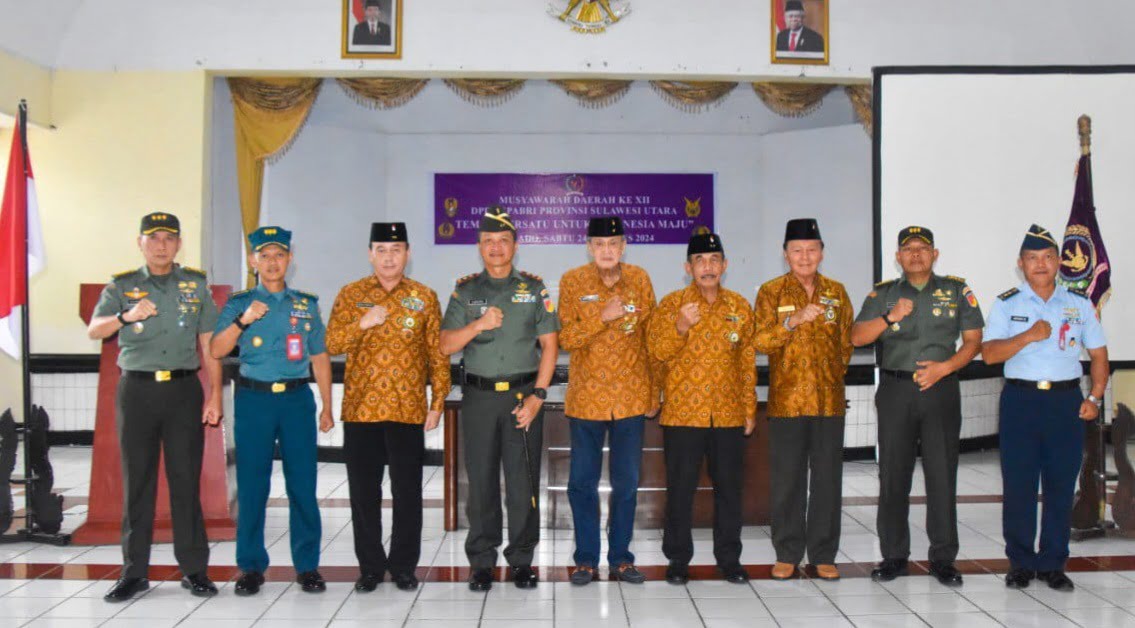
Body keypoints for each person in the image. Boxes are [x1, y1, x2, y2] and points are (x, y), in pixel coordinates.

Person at [88, 212, 223, 602]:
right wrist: (125, 316)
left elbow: (210, 343)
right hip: (137, 392)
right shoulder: (122, 285)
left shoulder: (195, 285)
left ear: (179, 243)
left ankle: (195, 570)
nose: (161, 245)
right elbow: (94, 329)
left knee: (185, 481)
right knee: (138, 483)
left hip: (183, 391)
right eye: (154, 238)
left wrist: (215, 394)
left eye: (169, 238)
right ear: (140, 243)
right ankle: (134, 573)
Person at [851, 226, 983, 586]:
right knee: (893, 475)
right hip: (896, 390)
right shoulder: (883, 294)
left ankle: (943, 558)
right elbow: (856, 337)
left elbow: (973, 341)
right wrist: (889, 317)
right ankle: (894, 556)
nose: (915, 254)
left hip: (941, 389)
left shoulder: (956, 290)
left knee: (942, 474)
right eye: (907, 249)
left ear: (934, 254)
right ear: (898, 257)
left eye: (922, 248)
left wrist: (945, 368)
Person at [325, 222, 451, 592]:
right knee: (364, 493)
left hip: (407, 409)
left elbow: (437, 354)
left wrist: (437, 402)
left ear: (407, 254)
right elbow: (330, 342)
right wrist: (362, 323)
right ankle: (370, 567)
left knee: (408, 493)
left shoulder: (424, 297)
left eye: (396, 250)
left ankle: (403, 567)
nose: (389, 257)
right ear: (370, 254)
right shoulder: (351, 294)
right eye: (381, 249)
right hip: (361, 409)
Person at [981, 224, 1108, 592]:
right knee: (1019, 484)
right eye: (1032, 258)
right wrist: (1027, 336)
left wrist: (1095, 398)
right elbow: (989, 354)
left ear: (1058, 263)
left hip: (1065, 403)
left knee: (1060, 485)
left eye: (1048, 257)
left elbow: (1099, 355)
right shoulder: (1007, 303)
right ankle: (1020, 563)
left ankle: (1053, 564)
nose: (1040, 264)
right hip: (1020, 401)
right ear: (1021, 264)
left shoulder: (1079, 304)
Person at [440, 205, 560, 591]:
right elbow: (445, 345)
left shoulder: (534, 290)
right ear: (479, 246)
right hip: (479, 398)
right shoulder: (465, 291)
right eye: (489, 241)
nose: (496, 247)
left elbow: (550, 346)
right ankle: (481, 561)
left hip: (523, 399)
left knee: (523, 483)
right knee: (481, 483)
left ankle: (522, 560)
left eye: (503, 240)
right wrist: (478, 324)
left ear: (515, 246)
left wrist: (538, 396)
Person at [210, 226, 333, 596]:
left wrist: (328, 405)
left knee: (303, 485)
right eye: (264, 255)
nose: (272, 262)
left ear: (290, 259)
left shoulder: (305, 304)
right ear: (253, 261)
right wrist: (243, 320)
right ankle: (250, 566)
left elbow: (319, 356)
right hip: (254, 401)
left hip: (296, 401)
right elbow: (216, 350)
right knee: (252, 487)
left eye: (279, 255)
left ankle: (307, 566)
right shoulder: (239, 304)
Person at [647, 233, 756, 585]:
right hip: (683, 414)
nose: (707, 267)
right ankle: (678, 559)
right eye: (700, 261)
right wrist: (680, 327)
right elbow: (656, 353)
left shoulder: (739, 306)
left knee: (730, 491)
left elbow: (747, 361)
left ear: (724, 265)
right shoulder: (671, 305)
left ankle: (730, 559)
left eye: (714, 260)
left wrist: (749, 407)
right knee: (680, 490)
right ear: (688, 267)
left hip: (728, 413)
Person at [558, 217, 659, 586]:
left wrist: (654, 391)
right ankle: (585, 559)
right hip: (587, 399)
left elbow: (652, 339)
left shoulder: (640, 279)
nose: (606, 250)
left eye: (613, 243)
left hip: (630, 399)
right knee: (581, 483)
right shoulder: (572, 281)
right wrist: (602, 317)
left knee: (626, 484)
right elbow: (567, 338)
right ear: (589, 247)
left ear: (623, 246)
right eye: (599, 244)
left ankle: (621, 558)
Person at [753, 219, 852, 581]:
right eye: (797, 250)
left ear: (822, 253)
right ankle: (787, 553)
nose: (805, 256)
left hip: (828, 402)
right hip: (787, 403)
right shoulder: (771, 292)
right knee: (787, 482)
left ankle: (824, 554)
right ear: (785, 254)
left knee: (827, 481)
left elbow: (845, 344)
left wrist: (829, 376)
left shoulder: (836, 292)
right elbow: (759, 341)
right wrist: (790, 323)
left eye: (812, 250)